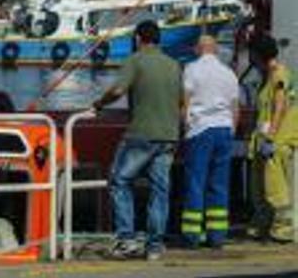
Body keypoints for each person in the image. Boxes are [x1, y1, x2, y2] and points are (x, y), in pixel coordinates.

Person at [92, 20, 182, 260]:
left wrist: (99, 103)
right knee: (160, 190)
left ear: (138, 38)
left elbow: (118, 90)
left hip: (142, 134)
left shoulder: (135, 59)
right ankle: (154, 246)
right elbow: (183, 101)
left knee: (119, 181)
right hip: (169, 136)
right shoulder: (174, 65)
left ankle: (126, 239)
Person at [180, 35, 240, 249]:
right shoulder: (229, 73)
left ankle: (192, 236)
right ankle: (217, 236)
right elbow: (235, 108)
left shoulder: (191, 69)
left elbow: (185, 103)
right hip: (224, 130)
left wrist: (185, 129)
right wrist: (231, 130)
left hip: (200, 130)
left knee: (196, 183)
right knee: (219, 184)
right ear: (214, 50)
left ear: (199, 48)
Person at [247, 34, 298, 242]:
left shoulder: (278, 75)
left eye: (251, 52)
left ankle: (283, 229)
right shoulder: (268, 76)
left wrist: (270, 138)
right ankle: (263, 225)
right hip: (267, 142)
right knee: (260, 188)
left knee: (275, 189)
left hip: (276, 143)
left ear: (259, 55)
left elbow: (280, 106)